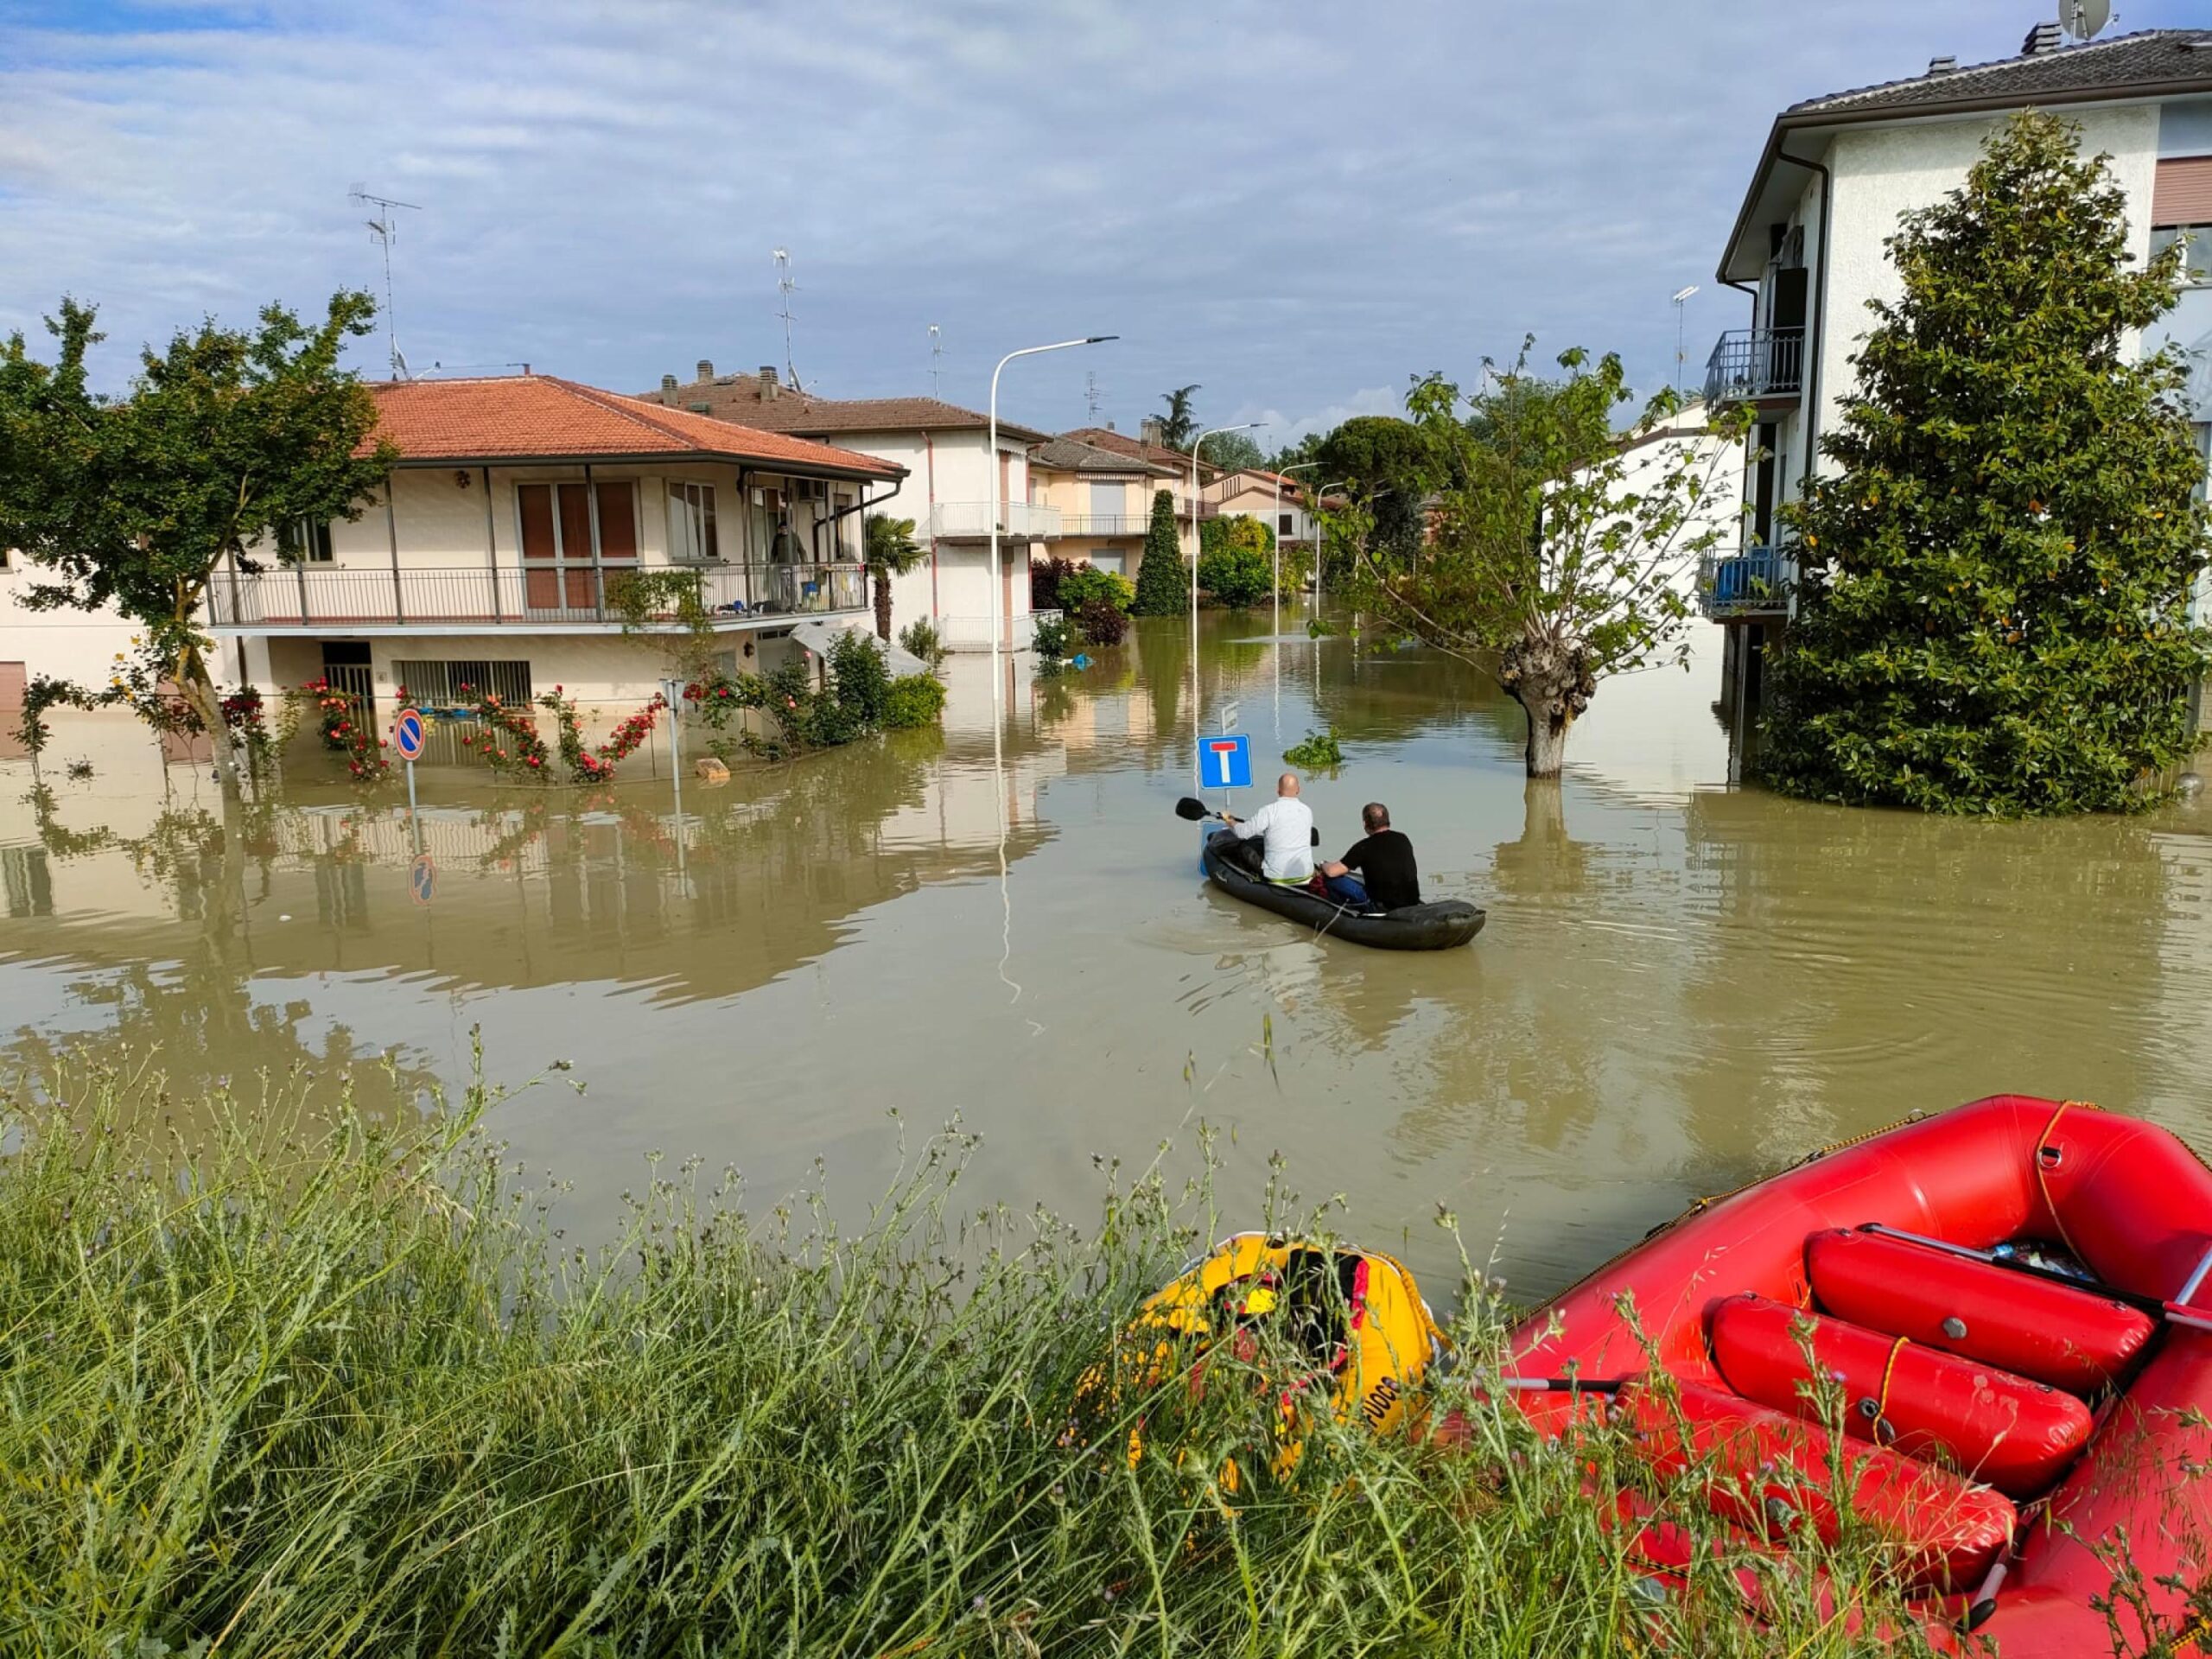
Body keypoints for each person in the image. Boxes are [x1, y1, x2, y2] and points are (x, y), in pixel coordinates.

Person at [1320, 803, 1421, 913]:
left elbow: (1332, 872)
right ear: (1387, 819)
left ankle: (1341, 909)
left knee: (1331, 880)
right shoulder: (1403, 838)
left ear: (1365, 823)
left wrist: (1323, 864)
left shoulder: (1363, 847)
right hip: (1411, 901)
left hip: (1381, 906)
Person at [1219, 772, 1316, 886]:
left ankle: (1252, 878)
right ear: (1298, 790)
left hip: (1277, 878)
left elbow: (1242, 833)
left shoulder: (1269, 811)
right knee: (1261, 842)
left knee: (1244, 847)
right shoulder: (1307, 811)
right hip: (1306, 875)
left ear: (1278, 790)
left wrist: (1230, 821)